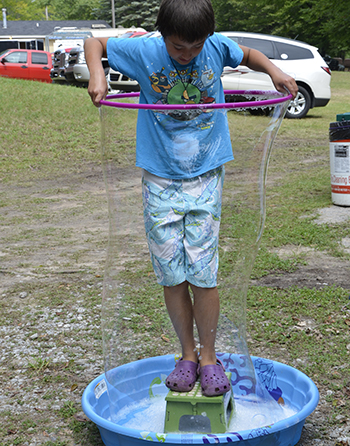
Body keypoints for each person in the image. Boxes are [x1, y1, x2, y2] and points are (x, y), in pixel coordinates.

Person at [85, 0, 298, 397]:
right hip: (159, 177)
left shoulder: (216, 47)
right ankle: (186, 353)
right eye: (178, 47)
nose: (186, 55)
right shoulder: (144, 50)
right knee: (171, 271)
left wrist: (275, 70)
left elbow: (249, 54)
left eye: (194, 47)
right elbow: (94, 42)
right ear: (162, 36)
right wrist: (98, 74)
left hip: (205, 175)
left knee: (203, 270)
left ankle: (210, 357)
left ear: (207, 38)